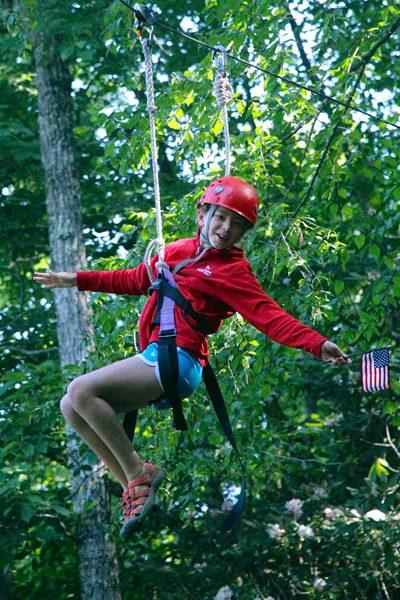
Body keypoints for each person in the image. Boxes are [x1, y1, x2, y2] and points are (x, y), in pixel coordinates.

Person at [34, 176, 351, 540]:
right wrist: (75, 279)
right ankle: (133, 486)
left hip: (179, 361)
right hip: (156, 356)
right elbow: (134, 279)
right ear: (202, 215)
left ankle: (140, 473)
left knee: (81, 390)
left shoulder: (233, 271)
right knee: (70, 406)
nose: (226, 229)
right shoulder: (176, 251)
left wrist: (317, 343)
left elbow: (269, 316)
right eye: (221, 218)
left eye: (237, 225)